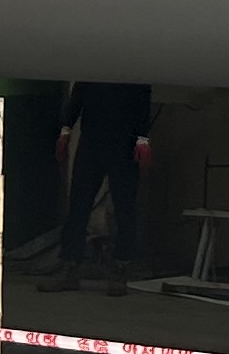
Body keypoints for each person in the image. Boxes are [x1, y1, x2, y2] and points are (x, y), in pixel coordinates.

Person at [44, 79, 152, 290]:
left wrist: (142, 137)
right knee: (79, 205)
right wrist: (66, 128)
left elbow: (142, 98)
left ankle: (120, 268)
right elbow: (78, 96)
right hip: (94, 143)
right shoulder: (94, 71)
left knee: (124, 207)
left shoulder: (133, 72)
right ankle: (70, 266)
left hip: (123, 143)